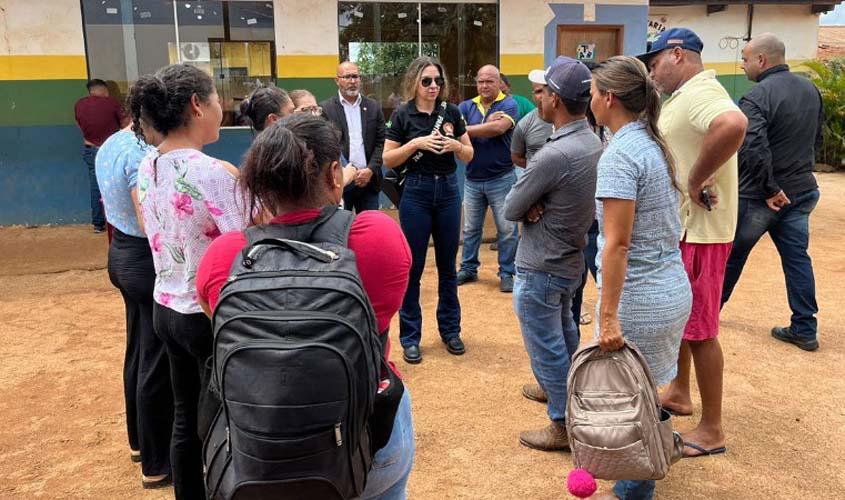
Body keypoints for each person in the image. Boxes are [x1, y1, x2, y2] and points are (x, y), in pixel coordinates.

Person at [195, 114, 415, 500]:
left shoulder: (225, 256)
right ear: (334, 174)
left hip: (258, 455)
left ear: (259, 183)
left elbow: (214, 314)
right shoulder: (378, 236)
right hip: (366, 440)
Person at [130, 63, 250, 500]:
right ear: (197, 105)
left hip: (166, 306)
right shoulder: (213, 174)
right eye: (217, 98)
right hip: (205, 316)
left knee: (185, 416)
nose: (223, 108)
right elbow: (245, 243)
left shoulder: (149, 164)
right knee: (224, 419)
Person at [640, 28, 748, 458]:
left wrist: (696, 178)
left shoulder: (703, 90)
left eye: (655, 64)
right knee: (686, 320)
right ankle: (681, 391)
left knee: (701, 330)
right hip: (688, 230)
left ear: (678, 55)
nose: (652, 73)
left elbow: (733, 123)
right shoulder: (684, 95)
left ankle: (713, 428)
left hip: (702, 234)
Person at [589, 55, 693, 500]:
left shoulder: (622, 154)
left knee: (629, 404)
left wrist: (608, 316)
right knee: (643, 395)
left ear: (609, 98)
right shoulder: (651, 143)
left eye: (593, 92)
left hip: (641, 300)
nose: (589, 99)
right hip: (668, 289)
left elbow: (617, 243)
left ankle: (634, 487)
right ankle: (641, 474)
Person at [503, 56, 601, 451]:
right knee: (563, 336)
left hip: (542, 264)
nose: (538, 98)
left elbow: (511, 206)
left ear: (556, 100)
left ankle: (562, 422)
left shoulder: (553, 154)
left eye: (544, 91)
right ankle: (560, 394)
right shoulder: (591, 142)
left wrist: (530, 201)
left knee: (547, 345)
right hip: (568, 260)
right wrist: (533, 201)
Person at [721, 33, 823, 352]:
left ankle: (706, 317)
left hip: (762, 198)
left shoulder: (757, 97)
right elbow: (816, 140)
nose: (742, 64)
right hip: (802, 191)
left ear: (762, 60)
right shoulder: (811, 89)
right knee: (797, 260)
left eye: (745, 58)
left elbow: (752, 147)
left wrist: (770, 188)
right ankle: (805, 327)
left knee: (731, 258)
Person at [96, 120, 173, 489]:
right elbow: (148, 221)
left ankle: (140, 444)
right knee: (155, 361)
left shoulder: (113, 142)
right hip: (144, 258)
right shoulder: (142, 154)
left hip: (122, 254)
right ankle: (157, 462)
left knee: (139, 351)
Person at [382, 56, 474, 364]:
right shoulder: (402, 114)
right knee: (413, 267)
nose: (433, 86)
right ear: (415, 83)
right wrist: (417, 144)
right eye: (426, 81)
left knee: (448, 265)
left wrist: (456, 148)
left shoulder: (452, 112)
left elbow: (469, 153)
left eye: (438, 81)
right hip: (417, 192)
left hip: (448, 190)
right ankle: (411, 337)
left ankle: (450, 331)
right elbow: (388, 159)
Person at [457, 65, 520, 293]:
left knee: (507, 229)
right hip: (472, 179)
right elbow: (453, 129)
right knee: (471, 229)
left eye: (489, 82)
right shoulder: (466, 105)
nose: (484, 86)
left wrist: (466, 128)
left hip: (502, 178)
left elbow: (498, 129)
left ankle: (507, 272)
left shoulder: (508, 104)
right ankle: (468, 269)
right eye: (480, 82)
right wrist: (483, 125)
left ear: (499, 83)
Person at [321, 61, 387, 212]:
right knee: (342, 230)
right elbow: (328, 145)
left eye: (355, 77)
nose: (352, 81)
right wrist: (347, 173)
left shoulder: (373, 107)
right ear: (337, 80)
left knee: (370, 229)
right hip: (341, 182)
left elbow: (381, 142)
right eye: (347, 77)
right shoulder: (326, 109)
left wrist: (370, 169)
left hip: (369, 180)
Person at [75, 78, 128, 232]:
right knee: (119, 183)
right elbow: (124, 124)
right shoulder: (112, 103)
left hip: (90, 148)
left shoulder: (79, 104)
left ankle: (98, 224)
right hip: (111, 150)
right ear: (105, 90)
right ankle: (119, 223)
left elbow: (79, 124)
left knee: (95, 186)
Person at [510, 70, 553, 169]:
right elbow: (516, 157)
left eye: (547, 90)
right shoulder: (524, 124)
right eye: (538, 91)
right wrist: (537, 169)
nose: (543, 96)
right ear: (533, 96)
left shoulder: (568, 119)